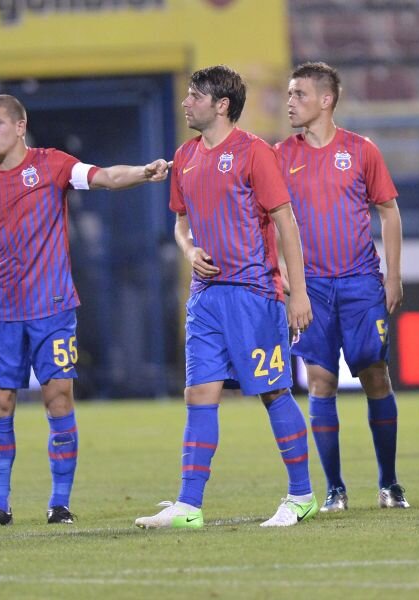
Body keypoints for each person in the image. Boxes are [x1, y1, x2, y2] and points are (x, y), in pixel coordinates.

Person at [0, 94, 169, 527]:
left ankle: (59, 504)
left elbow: (105, 177)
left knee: (58, 397)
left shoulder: (52, 165)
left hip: (51, 308)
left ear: (20, 126)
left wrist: (144, 173)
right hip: (2, 311)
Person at [134, 65, 317, 530]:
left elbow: (286, 222)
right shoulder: (184, 156)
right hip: (205, 298)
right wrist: (189, 249)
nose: (185, 102)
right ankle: (189, 505)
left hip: (254, 293)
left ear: (221, 105)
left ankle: (302, 496)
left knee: (272, 390)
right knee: (199, 392)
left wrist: (298, 293)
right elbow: (180, 223)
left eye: (194, 96)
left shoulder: (254, 152)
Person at [277, 61, 407, 512]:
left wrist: (393, 275)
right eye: (289, 94)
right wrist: (283, 273)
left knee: (375, 373)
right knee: (320, 381)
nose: (290, 102)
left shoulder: (361, 150)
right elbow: (266, 217)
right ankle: (335, 489)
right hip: (311, 287)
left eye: (299, 94)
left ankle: (389, 484)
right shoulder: (280, 155)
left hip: (360, 283)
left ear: (326, 99)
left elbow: (389, 211)